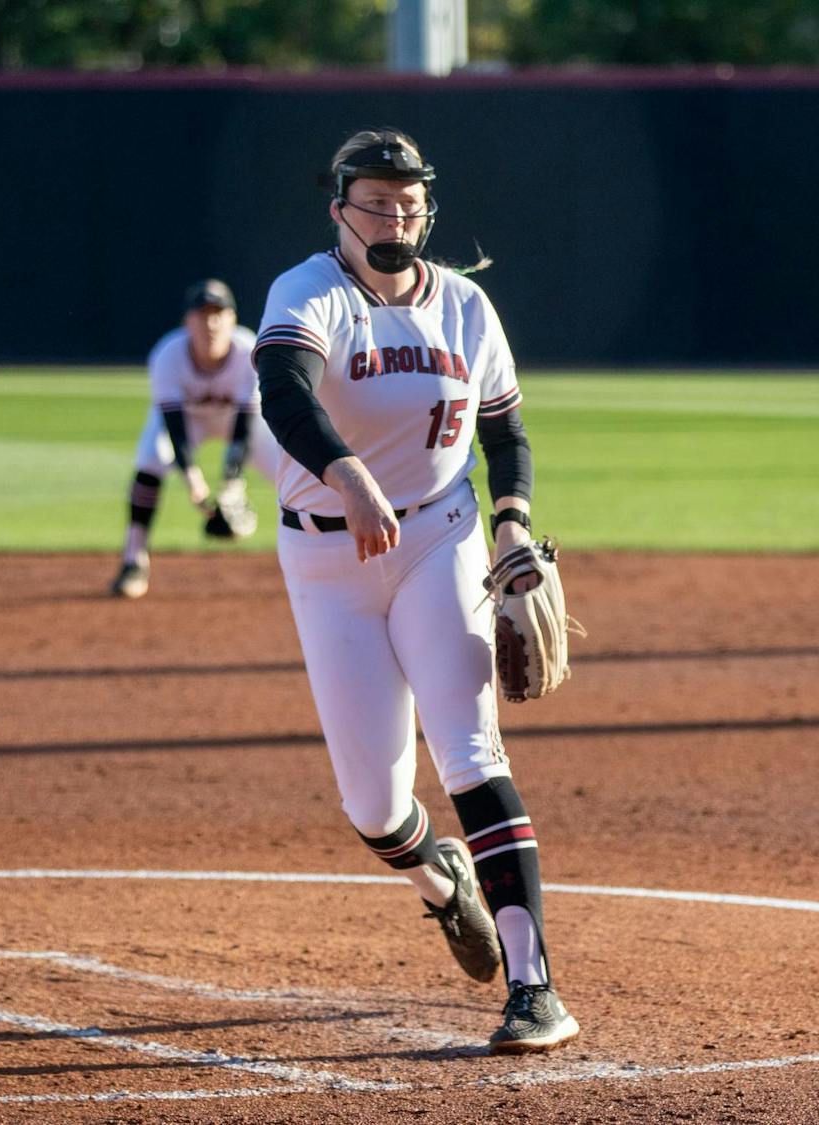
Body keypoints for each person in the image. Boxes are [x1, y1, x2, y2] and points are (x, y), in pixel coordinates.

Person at [253, 129, 579, 1053]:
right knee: (372, 805)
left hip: (440, 537)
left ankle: (534, 986)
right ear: (340, 209)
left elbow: (505, 430)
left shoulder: (467, 308)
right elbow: (286, 390)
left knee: (470, 750)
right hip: (326, 559)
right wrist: (346, 473)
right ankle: (443, 884)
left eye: (409, 201)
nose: (394, 215)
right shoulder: (308, 291)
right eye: (376, 200)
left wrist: (511, 521)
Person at [111, 279, 280, 599]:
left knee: (291, 474)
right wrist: (193, 479)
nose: (211, 323)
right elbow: (174, 425)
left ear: (233, 319)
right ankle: (134, 559)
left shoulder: (250, 351)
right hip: (187, 422)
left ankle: (309, 559)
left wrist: (232, 482)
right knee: (149, 461)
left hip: (239, 421)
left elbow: (243, 427)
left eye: (219, 314)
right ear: (187, 322)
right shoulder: (168, 355)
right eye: (202, 315)